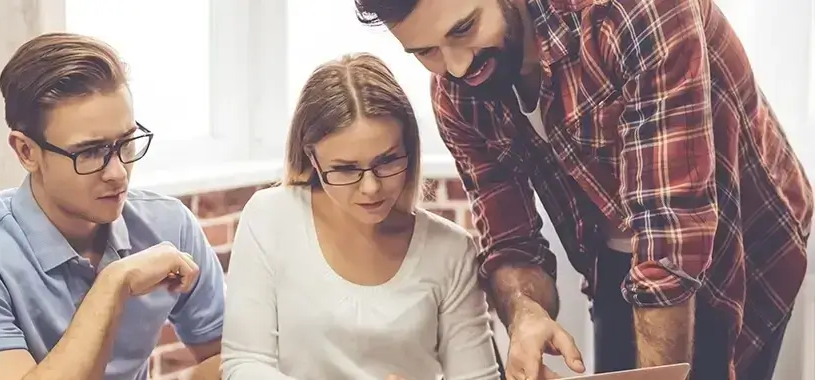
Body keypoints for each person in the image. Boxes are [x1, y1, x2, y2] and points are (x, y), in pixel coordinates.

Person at [353, 0, 813, 379]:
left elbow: (669, 225)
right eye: (425, 51)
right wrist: (525, 312)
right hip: (615, 254)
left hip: (741, 232)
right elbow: (511, 243)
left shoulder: (633, 11)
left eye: (465, 28)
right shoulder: (456, 96)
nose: (456, 66)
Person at [0, 32, 226, 380]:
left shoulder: (168, 225)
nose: (117, 173)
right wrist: (114, 283)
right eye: (90, 152)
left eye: (127, 143)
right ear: (26, 152)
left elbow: (234, 360)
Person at [220, 53, 501, 380]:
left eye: (388, 161)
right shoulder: (269, 218)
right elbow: (244, 364)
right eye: (345, 169)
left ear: (409, 149)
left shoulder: (451, 250)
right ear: (312, 158)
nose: (371, 187)